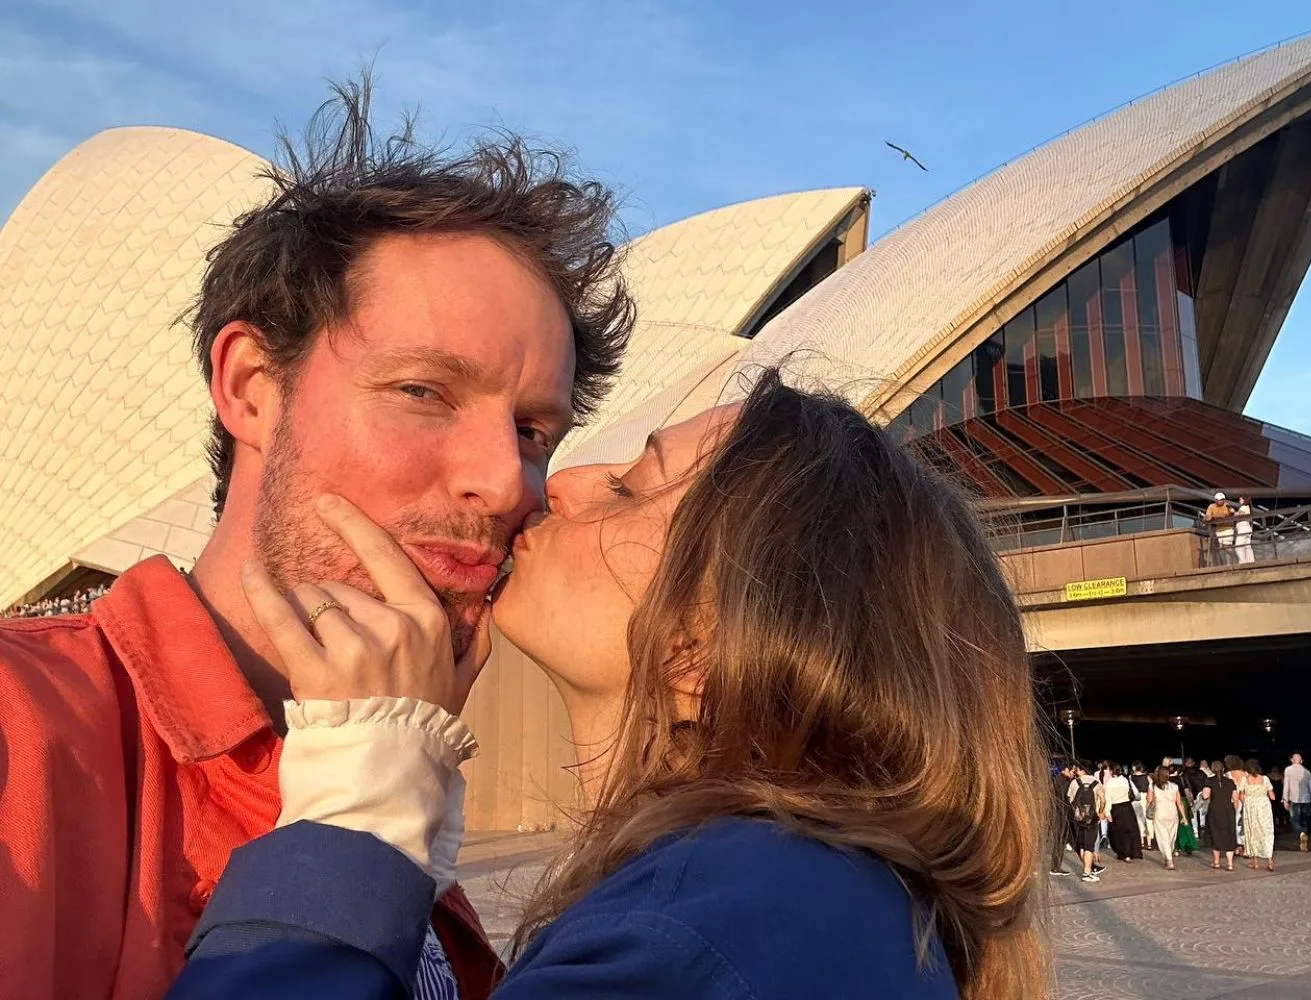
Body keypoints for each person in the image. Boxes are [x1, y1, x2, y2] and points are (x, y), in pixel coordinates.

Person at [0, 81, 635, 1000]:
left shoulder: (415, 796)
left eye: (535, 430)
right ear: (252, 387)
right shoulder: (26, 733)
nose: (504, 483)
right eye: (423, 392)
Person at [166, 372, 1051, 998]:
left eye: (631, 488)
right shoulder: (821, 906)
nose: (560, 482)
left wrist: (357, 811)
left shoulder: (709, 933)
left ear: (703, 653)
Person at [1068, 760, 1107, 884]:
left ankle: (1086, 867)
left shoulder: (1074, 783)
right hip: (1092, 818)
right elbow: (1103, 799)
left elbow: (1070, 799)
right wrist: (1101, 811)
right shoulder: (1096, 782)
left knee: (1082, 845)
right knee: (1089, 846)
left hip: (1078, 818)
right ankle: (1087, 872)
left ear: (1082, 770)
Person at [1201, 760, 1241, 871]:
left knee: (1216, 834)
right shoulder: (1230, 782)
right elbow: (1235, 798)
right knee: (1229, 835)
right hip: (1228, 810)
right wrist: (1234, 810)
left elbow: (1205, 795)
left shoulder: (1209, 781)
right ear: (1223, 769)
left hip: (1215, 810)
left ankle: (1217, 862)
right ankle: (1230, 864)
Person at [1102, 761, 1144, 863]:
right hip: (1127, 807)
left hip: (1116, 809)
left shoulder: (1110, 783)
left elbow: (1108, 799)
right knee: (1130, 831)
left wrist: (1107, 812)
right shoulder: (1125, 780)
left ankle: (1123, 853)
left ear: (1111, 771)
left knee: (1118, 833)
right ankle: (1131, 853)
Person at [1240, 759, 1276, 872]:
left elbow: (1241, 795)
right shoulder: (1265, 779)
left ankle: (1255, 861)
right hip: (1264, 807)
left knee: (1252, 832)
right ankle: (1270, 860)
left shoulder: (1244, 780)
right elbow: (1272, 796)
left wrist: (1248, 800)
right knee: (1266, 832)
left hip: (1250, 807)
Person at [1147, 767, 1183, 871]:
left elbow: (1149, 800)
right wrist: (1184, 816)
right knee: (1171, 835)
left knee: (1163, 836)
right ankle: (1169, 854)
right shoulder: (1174, 786)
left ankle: (1169, 859)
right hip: (1172, 811)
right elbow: (1179, 802)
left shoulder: (1153, 786)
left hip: (1160, 811)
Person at [1282, 752, 1311, 852]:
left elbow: (1286, 785)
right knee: (1305, 820)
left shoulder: (1288, 770)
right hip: (1307, 799)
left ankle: (1301, 833)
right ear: (1301, 761)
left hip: (1294, 799)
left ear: (1292, 760)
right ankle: (1304, 834)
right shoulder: (1307, 772)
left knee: (1294, 820)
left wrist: (1285, 799)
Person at [1050, 761, 1078, 876]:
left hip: (1063, 815)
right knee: (1060, 840)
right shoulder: (1061, 781)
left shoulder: (1062, 780)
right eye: (1073, 771)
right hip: (1061, 815)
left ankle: (1089, 866)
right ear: (1066, 769)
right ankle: (1055, 867)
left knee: (1068, 840)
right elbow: (1064, 798)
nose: (1074, 774)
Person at [1205, 493, 1236, 564]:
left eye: (1221, 500)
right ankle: (1226, 563)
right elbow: (1207, 517)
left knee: (1227, 546)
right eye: (1218, 500)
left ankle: (1230, 561)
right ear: (1215, 500)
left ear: (1224, 500)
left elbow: (1229, 514)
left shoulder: (1227, 505)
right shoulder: (1211, 506)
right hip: (1218, 529)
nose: (1220, 501)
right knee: (1221, 547)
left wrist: (1213, 516)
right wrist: (1211, 517)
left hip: (1228, 528)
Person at [1129, 761, 1153, 850]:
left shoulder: (1131, 777)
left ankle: (1142, 842)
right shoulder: (1147, 777)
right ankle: (1149, 842)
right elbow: (1152, 787)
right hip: (1146, 797)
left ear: (1135, 767)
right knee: (1148, 820)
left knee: (1138, 820)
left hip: (1135, 799)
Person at [1233, 496, 1256, 564]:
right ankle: (1251, 561)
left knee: (1238, 546)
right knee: (1247, 546)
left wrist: (1233, 512)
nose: (1239, 500)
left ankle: (1243, 562)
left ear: (1244, 500)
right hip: (1247, 528)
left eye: (1240, 499)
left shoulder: (1243, 507)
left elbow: (1240, 514)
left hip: (1243, 527)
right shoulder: (1248, 508)